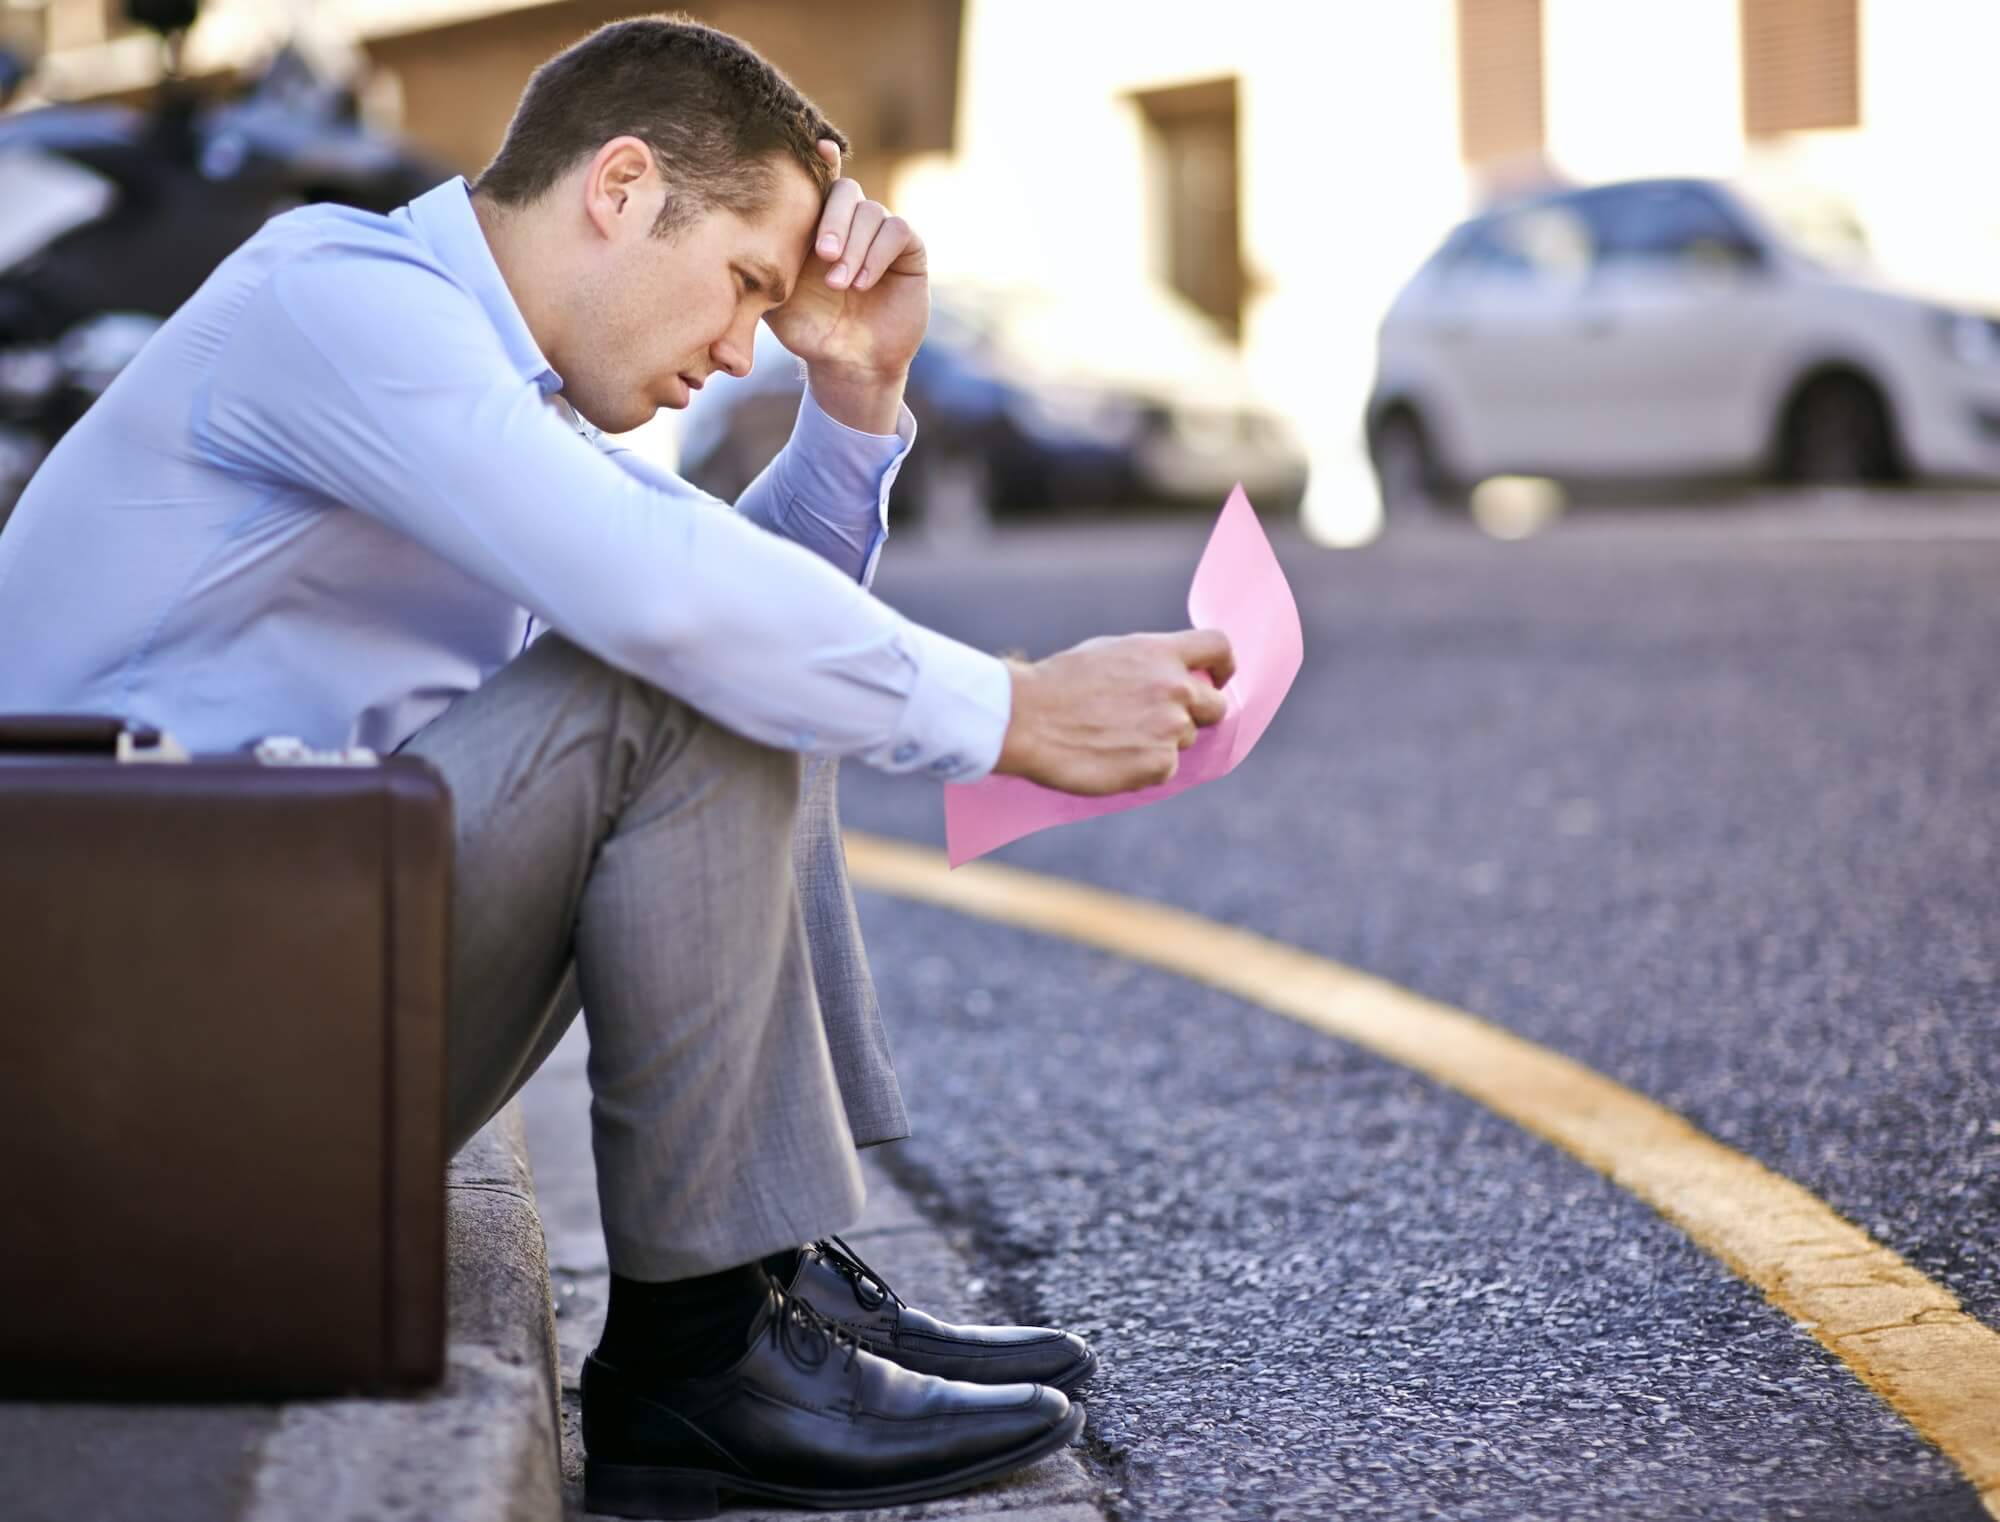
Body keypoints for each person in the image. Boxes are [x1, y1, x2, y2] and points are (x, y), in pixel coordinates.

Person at [0, 13, 1233, 1516]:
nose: (736, 354)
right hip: (107, 1056)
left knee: (729, 656)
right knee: (685, 657)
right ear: (623, 185)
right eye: (746, 289)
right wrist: (1013, 710)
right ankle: (703, 1352)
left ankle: (759, 1281)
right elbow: (669, 607)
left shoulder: (481, 380)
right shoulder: (338, 302)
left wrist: (851, 399)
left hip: (226, 1008)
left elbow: (722, 603)